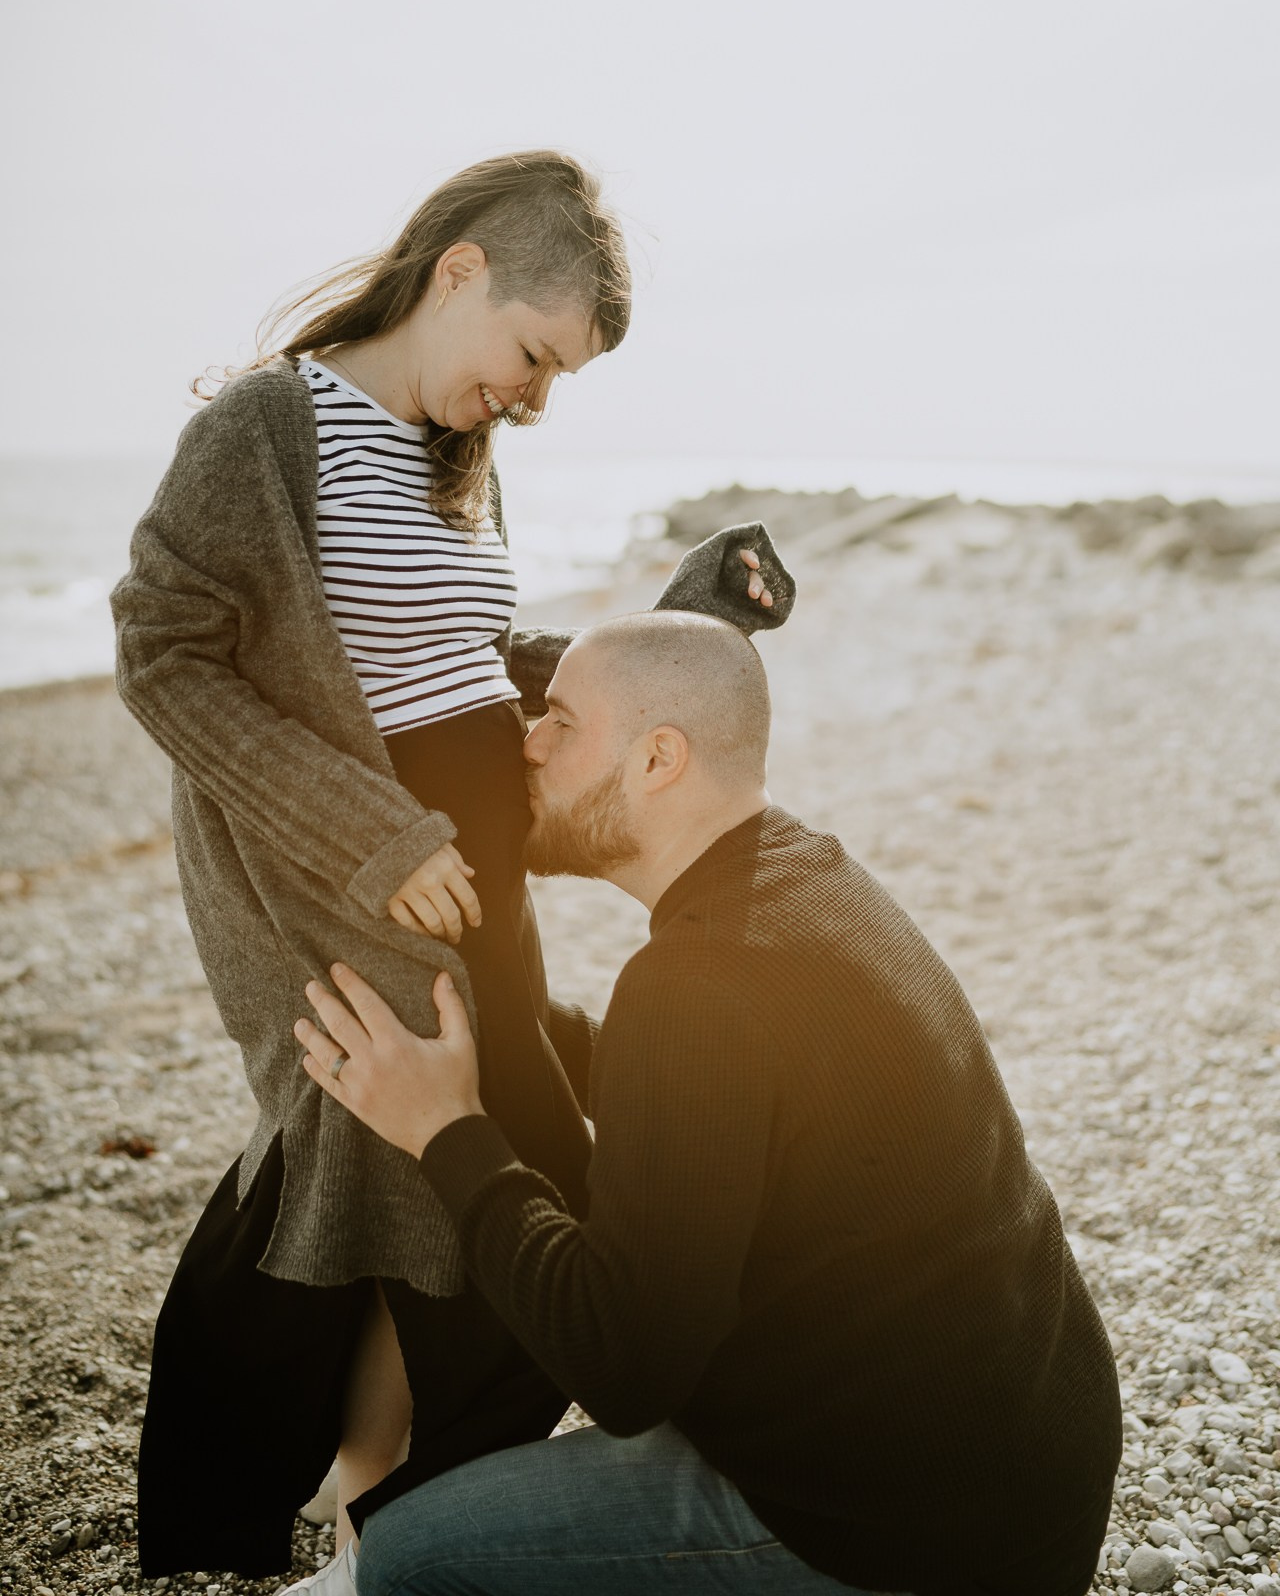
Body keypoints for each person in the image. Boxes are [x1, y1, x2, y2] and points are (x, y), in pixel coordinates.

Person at [110, 151, 794, 1582]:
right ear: (464, 269)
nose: (532, 400)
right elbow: (165, 653)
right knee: (413, 1200)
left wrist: (676, 628)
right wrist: (379, 841)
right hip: (358, 889)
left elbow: (451, 664)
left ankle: (386, 1538)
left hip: (474, 885)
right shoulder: (266, 427)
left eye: (557, 384)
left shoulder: (449, 451)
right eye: (533, 357)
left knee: (429, 1218)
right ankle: (362, 1536)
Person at [294, 610, 1124, 1596]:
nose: (527, 742)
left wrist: (445, 1132)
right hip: (1019, 1468)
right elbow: (715, 1100)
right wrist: (513, 1027)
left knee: (405, 1555)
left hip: (902, 1535)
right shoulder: (805, 881)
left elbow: (622, 1368)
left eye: (559, 720)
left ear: (656, 760)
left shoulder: (690, 987)